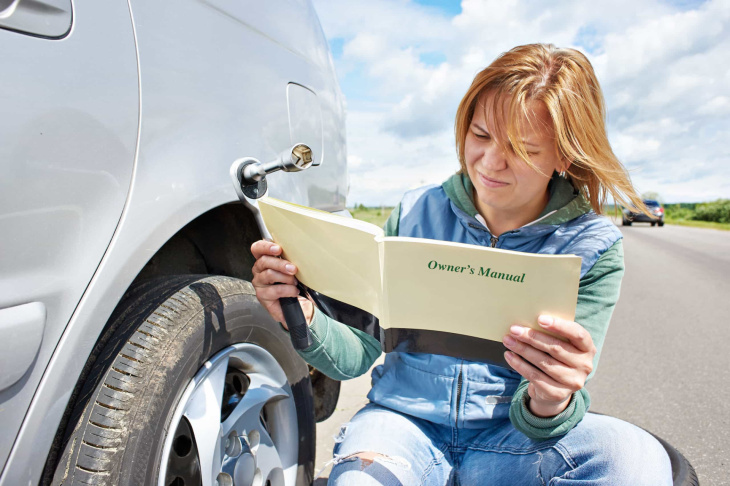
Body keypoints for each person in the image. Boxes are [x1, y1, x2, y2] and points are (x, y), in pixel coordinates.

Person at [251, 44, 672, 485]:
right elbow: (357, 354)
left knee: (637, 459)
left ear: (564, 155)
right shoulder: (414, 214)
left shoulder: (592, 247)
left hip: (513, 444)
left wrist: (552, 398)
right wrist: (302, 313)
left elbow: (550, 413)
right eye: (481, 135)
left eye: (523, 149)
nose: (490, 164)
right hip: (403, 428)